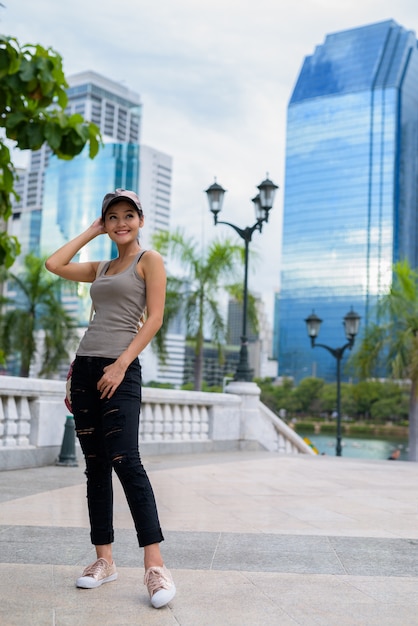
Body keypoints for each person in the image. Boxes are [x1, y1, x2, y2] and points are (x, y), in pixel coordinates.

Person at [45, 188, 176, 609]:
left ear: (140, 220)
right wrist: (91, 230)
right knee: (96, 467)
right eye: (113, 217)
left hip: (120, 369)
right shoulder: (101, 266)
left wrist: (121, 365)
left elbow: (153, 318)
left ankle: (155, 568)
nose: (121, 223)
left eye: (128, 215)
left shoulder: (148, 261)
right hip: (85, 368)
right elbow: (54, 264)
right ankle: (104, 560)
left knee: (127, 461)